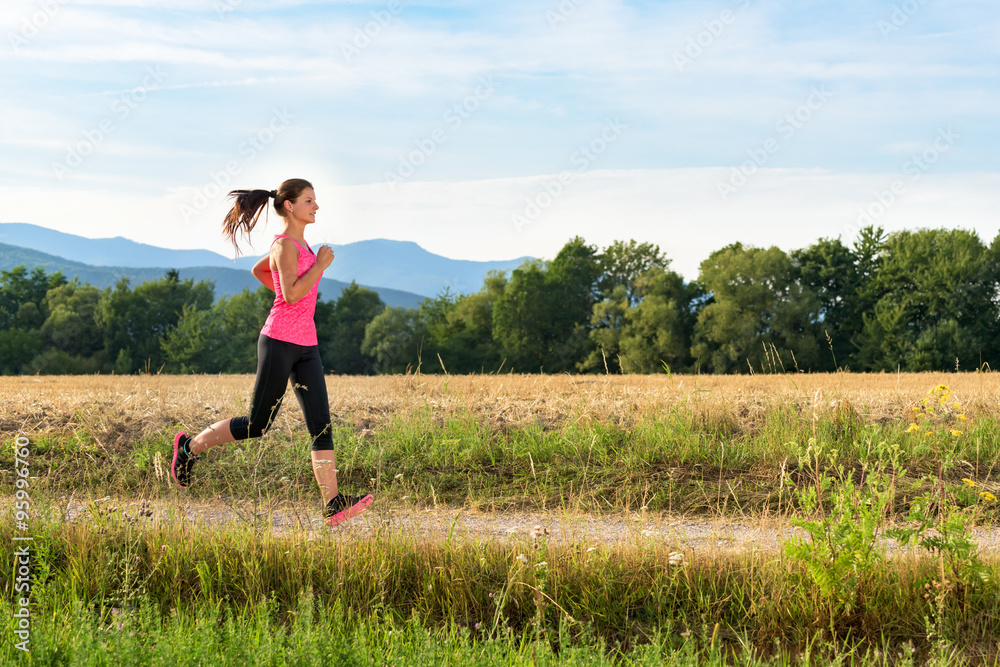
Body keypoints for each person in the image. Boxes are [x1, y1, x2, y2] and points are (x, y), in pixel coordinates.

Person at [170, 178, 372, 527]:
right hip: (279, 341)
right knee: (256, 425)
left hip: (307, 345)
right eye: (309, 200)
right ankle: (188, 448)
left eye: (315, 200)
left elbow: (260, 272)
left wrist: (291, 286)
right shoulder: (284, 246)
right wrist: (319, 269)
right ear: (290, 206)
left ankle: (332, 502)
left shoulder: (301, 246)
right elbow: (292, 295)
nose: (316, 206)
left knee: (321, 426)